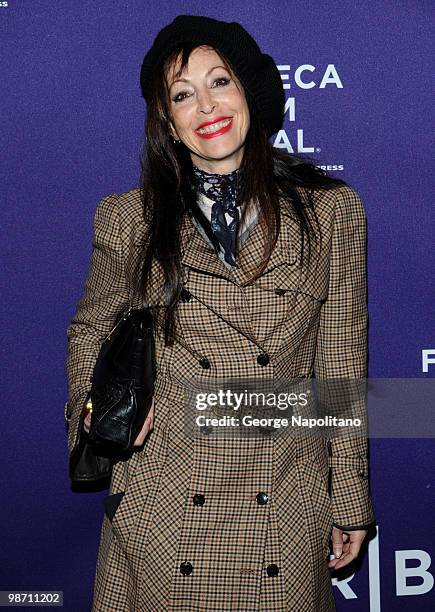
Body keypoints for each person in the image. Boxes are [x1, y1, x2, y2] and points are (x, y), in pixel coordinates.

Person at [65, 14, 375, 612]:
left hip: (281, 497)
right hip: (166, 499)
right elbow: (90, 332)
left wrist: (349, 499)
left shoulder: (333, 212)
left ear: (251, 93)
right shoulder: (129, 219)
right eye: (183, 95)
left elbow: (340, 364)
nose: (206, 105)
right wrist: (98, 411)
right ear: (170, 124)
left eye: (220, 82)